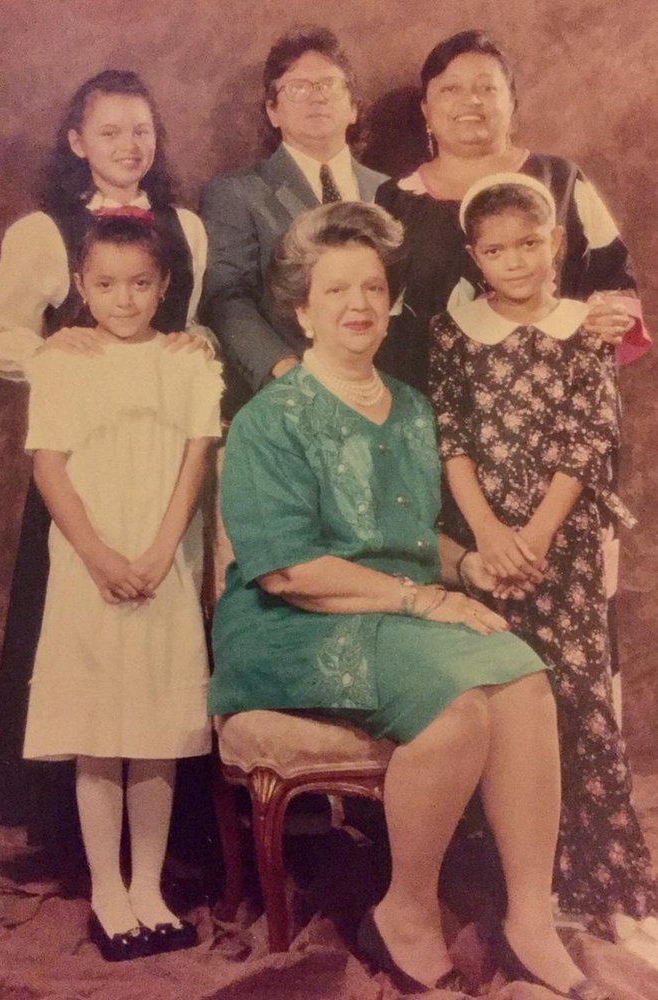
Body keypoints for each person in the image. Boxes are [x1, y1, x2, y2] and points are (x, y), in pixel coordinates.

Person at [208, 201, 610, 999]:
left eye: (372, 289)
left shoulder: (411, 406)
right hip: (287, 624)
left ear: (391, 302)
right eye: (336, 292)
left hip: (396, 612)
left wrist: (475, 568)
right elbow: (287, 571)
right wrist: (424, 602)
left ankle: (531, 918)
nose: (358, 306)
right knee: (459, 706)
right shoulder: (270, 419)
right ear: (303, 310)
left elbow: (417, 535)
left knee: (523, 673)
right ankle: (407, 910)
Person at [0, 69, 212, 848]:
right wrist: (56, 352)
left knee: (160, 640)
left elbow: (195, 327)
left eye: (141, 130)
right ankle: (61, 830)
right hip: (85, 463)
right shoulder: (43, 231)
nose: (128, 146)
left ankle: (165, 847)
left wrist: (191, 342)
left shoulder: (186, 226)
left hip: (162, 458)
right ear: (78, 142)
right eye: (110, 131)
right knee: (76, 631)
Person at [426, 174, 657, 936]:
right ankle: (496, 879)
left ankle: (586, 877)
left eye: (530, 244)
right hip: (488, 549)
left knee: (573, 697)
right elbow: (452, 439)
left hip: (559, 546)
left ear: (556, 243)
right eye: (497, 250)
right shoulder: (454, 332)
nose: (516, 261)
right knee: (494, 697)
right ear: (474, 256)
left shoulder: (581, 328)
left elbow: (587, 441)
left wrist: (538, 535)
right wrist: (488, 534)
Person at [23, 216, 222, 960]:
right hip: (91, 563)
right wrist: (103, 557)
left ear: (165, 285)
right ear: (80, 286)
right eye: (105, 285)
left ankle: (148, 886)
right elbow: (50, 467)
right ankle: (108, 887)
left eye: (141, 283)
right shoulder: (65, 362)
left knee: (157, 731)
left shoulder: (189, 363)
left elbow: (194, 465)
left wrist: (161, 551)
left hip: (161, 562)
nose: (124, 299)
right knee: (101, 733)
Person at [374, 29, 650, 392]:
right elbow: (374, 305)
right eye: (450, 89)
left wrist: (610, 316)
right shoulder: (394, 200)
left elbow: (615, 279)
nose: (470, 100)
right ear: (426, 109)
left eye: (487, 88)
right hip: (427, 405)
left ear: (512, 102)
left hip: (550, 401)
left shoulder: (560, 180)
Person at [199, 25, 387, 414]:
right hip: (286, 397)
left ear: (353, 106)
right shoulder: (235, 194)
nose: (316, 97)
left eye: (329, 85)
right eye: (298, 87)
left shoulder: (390, 193)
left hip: (382, 392)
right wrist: (286, 372)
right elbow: (226, 298)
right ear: (273, 110)